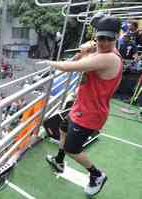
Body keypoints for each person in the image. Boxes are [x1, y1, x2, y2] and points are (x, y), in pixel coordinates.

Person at [42, 16, 123, 196]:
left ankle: (97, 175)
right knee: (63, 128)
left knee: (73, 149)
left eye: (108, 38)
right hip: (82, 106)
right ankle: (59, 160)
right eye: (100, 38)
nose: (103, 42)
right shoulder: (102, 53)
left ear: (116, 38)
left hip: (90, 113)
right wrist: (86, 51)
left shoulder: (109, 58)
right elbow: (83, 61)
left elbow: (70, 66)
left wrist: (48, 63)